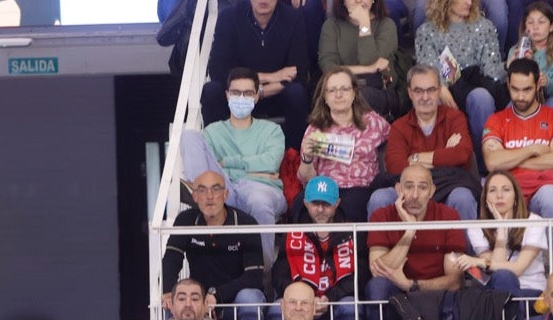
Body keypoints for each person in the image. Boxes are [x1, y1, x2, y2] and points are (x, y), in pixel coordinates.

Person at [204, 0, 313, 146]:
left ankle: (294, 157)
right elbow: (219, 71)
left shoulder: (293, 18)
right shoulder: (229, 18)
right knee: (211, 91)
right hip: (238, 97)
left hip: (276, 94)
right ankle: (216, 152)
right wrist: (273, 76)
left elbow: (298, 72)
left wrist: (258, 92)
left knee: (297, 93)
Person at [481, 57, 553, 261]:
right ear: (508, 85)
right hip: (509, 190)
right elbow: (492, 163)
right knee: (491, 190)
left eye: (527, 90)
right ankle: (491, 264)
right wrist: (531, 149)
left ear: (538, 85)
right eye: (515, 89)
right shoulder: (496, 120)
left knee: (551, 195)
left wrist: (510, 159)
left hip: (544, 187)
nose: (520, 96)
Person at [161, 175, 269, 320]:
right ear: (195, 197)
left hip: (234, 297)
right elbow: (171, 259)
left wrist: (216, 295)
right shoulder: (186, 220)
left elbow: (254, 277)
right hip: (201, 299)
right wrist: (168, 290)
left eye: (216, 189)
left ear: (225, 194)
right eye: (202, 190)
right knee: (173, 302)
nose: (209, 196)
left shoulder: (245, 223)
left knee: (249, 298)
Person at [370, 63, 482, 221]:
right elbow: (396, 167)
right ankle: (379, 247)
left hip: (448, 186)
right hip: (408, 190)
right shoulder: (399, 126)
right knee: (379, 198)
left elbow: (462, 155)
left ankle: (462, 247)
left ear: (439, 91)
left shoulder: (454, 118)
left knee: (463, 197)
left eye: (431, 90)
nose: (425, 97)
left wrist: (415, 158)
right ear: (409, 92)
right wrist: (445, 156)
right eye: (418, 91)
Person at [182, 68, 288, 230]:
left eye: (247, 93)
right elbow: (214, 171)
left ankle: (262, 257)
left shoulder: (272, 130)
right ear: (227, 95)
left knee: (259, 201)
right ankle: (200, 188)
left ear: (256, 96)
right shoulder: (213, 131)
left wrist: (227, 162)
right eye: (236, 92)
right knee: (189, 136)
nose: (241, 97)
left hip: (261, 189)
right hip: (224, 189)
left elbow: (270, 163)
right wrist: (255, 171)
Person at [270, 176, 362, 320]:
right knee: (275, 309)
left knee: (351, 306)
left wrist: (329, 297)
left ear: (337, 203)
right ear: (305, 203)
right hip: (301, 299)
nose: (320, 209)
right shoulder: (292, 232)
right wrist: (304, 298)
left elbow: (360, 275)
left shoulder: (351, 231)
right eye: (315, 203)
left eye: (326, 204)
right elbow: (279, 274)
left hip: (336, 299)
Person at [414, 0, 506, 145]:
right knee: (429, 94)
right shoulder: (427, 31)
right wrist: (441, 88)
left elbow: (492, 71)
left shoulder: (484, 26)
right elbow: (428, 68)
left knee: (481, 96)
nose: (469, 2)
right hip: (444, 87)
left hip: (478, 86)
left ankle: (482, 162)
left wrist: (508, 66)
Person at [364, 161, 467, 315]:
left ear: (432, 191)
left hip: (434, 295)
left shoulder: (448, 216)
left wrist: (412, 285)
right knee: (377, 286)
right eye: (409, 186)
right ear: (399, 189)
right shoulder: (381, 216)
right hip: (396, 293)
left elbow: (454, 281)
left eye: (423, 187)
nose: (415, 195)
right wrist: (410, 232)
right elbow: (378, 271)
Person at [297, 67, 393, 221]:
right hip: (326, 189)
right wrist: (307, 159)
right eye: (332, 90)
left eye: (344, 89)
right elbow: (306, 179)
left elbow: (398, 140)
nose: (339, 95)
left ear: (354, 93)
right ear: (325, 98)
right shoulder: (316, 129)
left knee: (350, 204)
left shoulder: (373, 122)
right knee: (300, 203)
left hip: (362, 188)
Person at [450, 171, 549, 303]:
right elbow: (498, 272)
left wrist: (480, 262)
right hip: (498, 290)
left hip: (531, 292)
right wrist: (501, 228)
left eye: (506, 190)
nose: (499, 196)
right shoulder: (476, 228)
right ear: (485, 199)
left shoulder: (534, 222)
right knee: (502, 279)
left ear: (516, 197)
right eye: (492, 190)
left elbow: (518, 269)